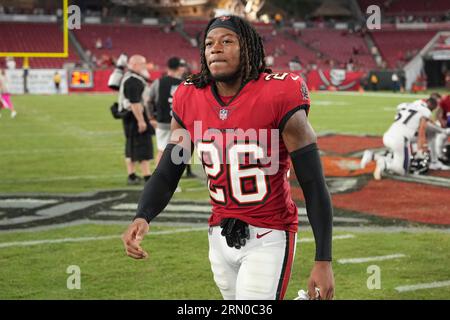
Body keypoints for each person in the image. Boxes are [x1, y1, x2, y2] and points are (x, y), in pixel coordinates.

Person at [122, 15, 334, 300]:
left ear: (246, 47)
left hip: (269, 234)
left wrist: (323, 259)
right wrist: (143, 215)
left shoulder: (278, 92)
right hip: (219, 234)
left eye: (226, 41)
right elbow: (169, 169)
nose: (215, 49)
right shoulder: (190, 96)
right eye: (209, 43)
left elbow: (312, 182)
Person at [360, 95, 446, 179]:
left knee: (399, 159)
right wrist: (421, 149)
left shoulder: (405, 106)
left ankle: (372, 156)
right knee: (402, 170)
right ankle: (384, 163)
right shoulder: (424, 111)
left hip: (388, 135)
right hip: (400, 140)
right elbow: (421, 132)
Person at [148, 57, 196, 178]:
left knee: (162, 151)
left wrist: (151, 118)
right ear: (179, 68)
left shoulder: (158, 82)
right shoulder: (185, 83)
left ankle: (159, 178)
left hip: (163, 122)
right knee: (181, 150)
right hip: (180, 123)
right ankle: (171, 177)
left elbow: (149, 101)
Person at [118, 55, 154, 185]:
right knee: (142, 145)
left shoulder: (131, 78)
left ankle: (132, 175)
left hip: (129, 116)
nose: (145, 67)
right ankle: (147, 176)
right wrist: (141, 120)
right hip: (134, 116)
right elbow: (135, 103)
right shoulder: (133, 80)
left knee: (131, 145)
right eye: (142, 64)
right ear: (134, 65)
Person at [427, 93, 450, 170]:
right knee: (440, 135)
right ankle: (438, 157)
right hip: (446, 126)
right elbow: (437, 115)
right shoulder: (446, 99)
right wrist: (441, 121)